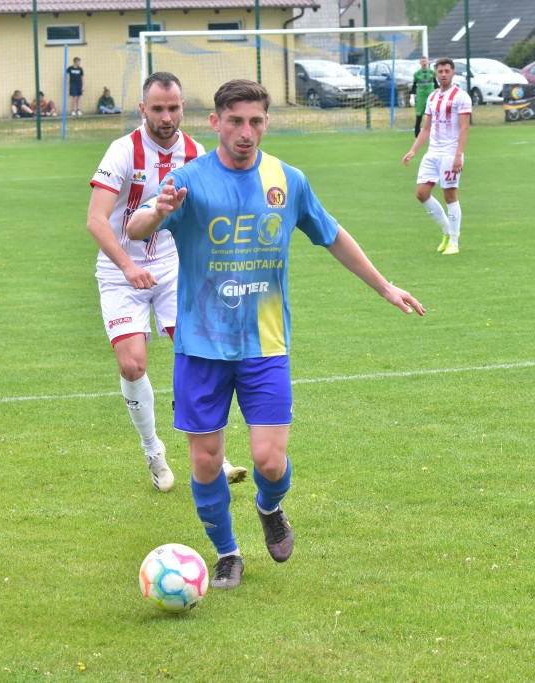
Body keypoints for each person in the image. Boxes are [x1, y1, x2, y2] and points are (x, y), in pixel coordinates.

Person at [127, 79, 425, 590]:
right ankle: (227, 554)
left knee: (268, 460)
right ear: (216, 122)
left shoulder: (287, 180)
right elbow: (135, 227)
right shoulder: (188, 180)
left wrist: (384, 286)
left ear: (267, 122)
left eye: (256, 121)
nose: (246, 132)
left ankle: (270, 505)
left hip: (265, 341)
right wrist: (159, 210)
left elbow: (331, 234)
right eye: (236, 121)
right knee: (206, 460)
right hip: (201, 344)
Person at [86, 72, 248, 493]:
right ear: (143, 109)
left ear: (183, 108)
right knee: (132, 362)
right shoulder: (123, 151)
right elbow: (95, 220)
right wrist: (126, 266)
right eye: (157, 108)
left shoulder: (195, 152)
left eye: (173, 107)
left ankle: (213, 451)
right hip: (121, 271)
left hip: (174, 268)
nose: (166, 116)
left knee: (196, 354)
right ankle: (153, 451)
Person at [402, 57, 471, 256]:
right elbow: (426, 128)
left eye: (446, 71)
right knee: (421, 193)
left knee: (450, 196)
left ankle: (455, 242)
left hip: (450, 154)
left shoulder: (461, 97)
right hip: (432, 153)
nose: (443, 74)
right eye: (440, 71)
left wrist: (459, 155)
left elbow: (465, 127)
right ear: (435, 74)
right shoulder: (432, 97)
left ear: (453, 73)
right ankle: (447, 232)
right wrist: (413, 150)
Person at [409, 56, 437, 138]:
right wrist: (412, 96)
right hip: (421, 96)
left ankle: (434, 136)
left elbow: (436, 85)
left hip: (431, 96)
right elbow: (414, 86)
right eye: (422, 61)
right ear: (420, 63)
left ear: (427, 62)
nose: (424, 63)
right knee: (419, 117)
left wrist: (439, 95)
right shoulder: (417, 74)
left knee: (433, 116)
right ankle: (416, 137)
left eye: (425, 61)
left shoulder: (432, 72)